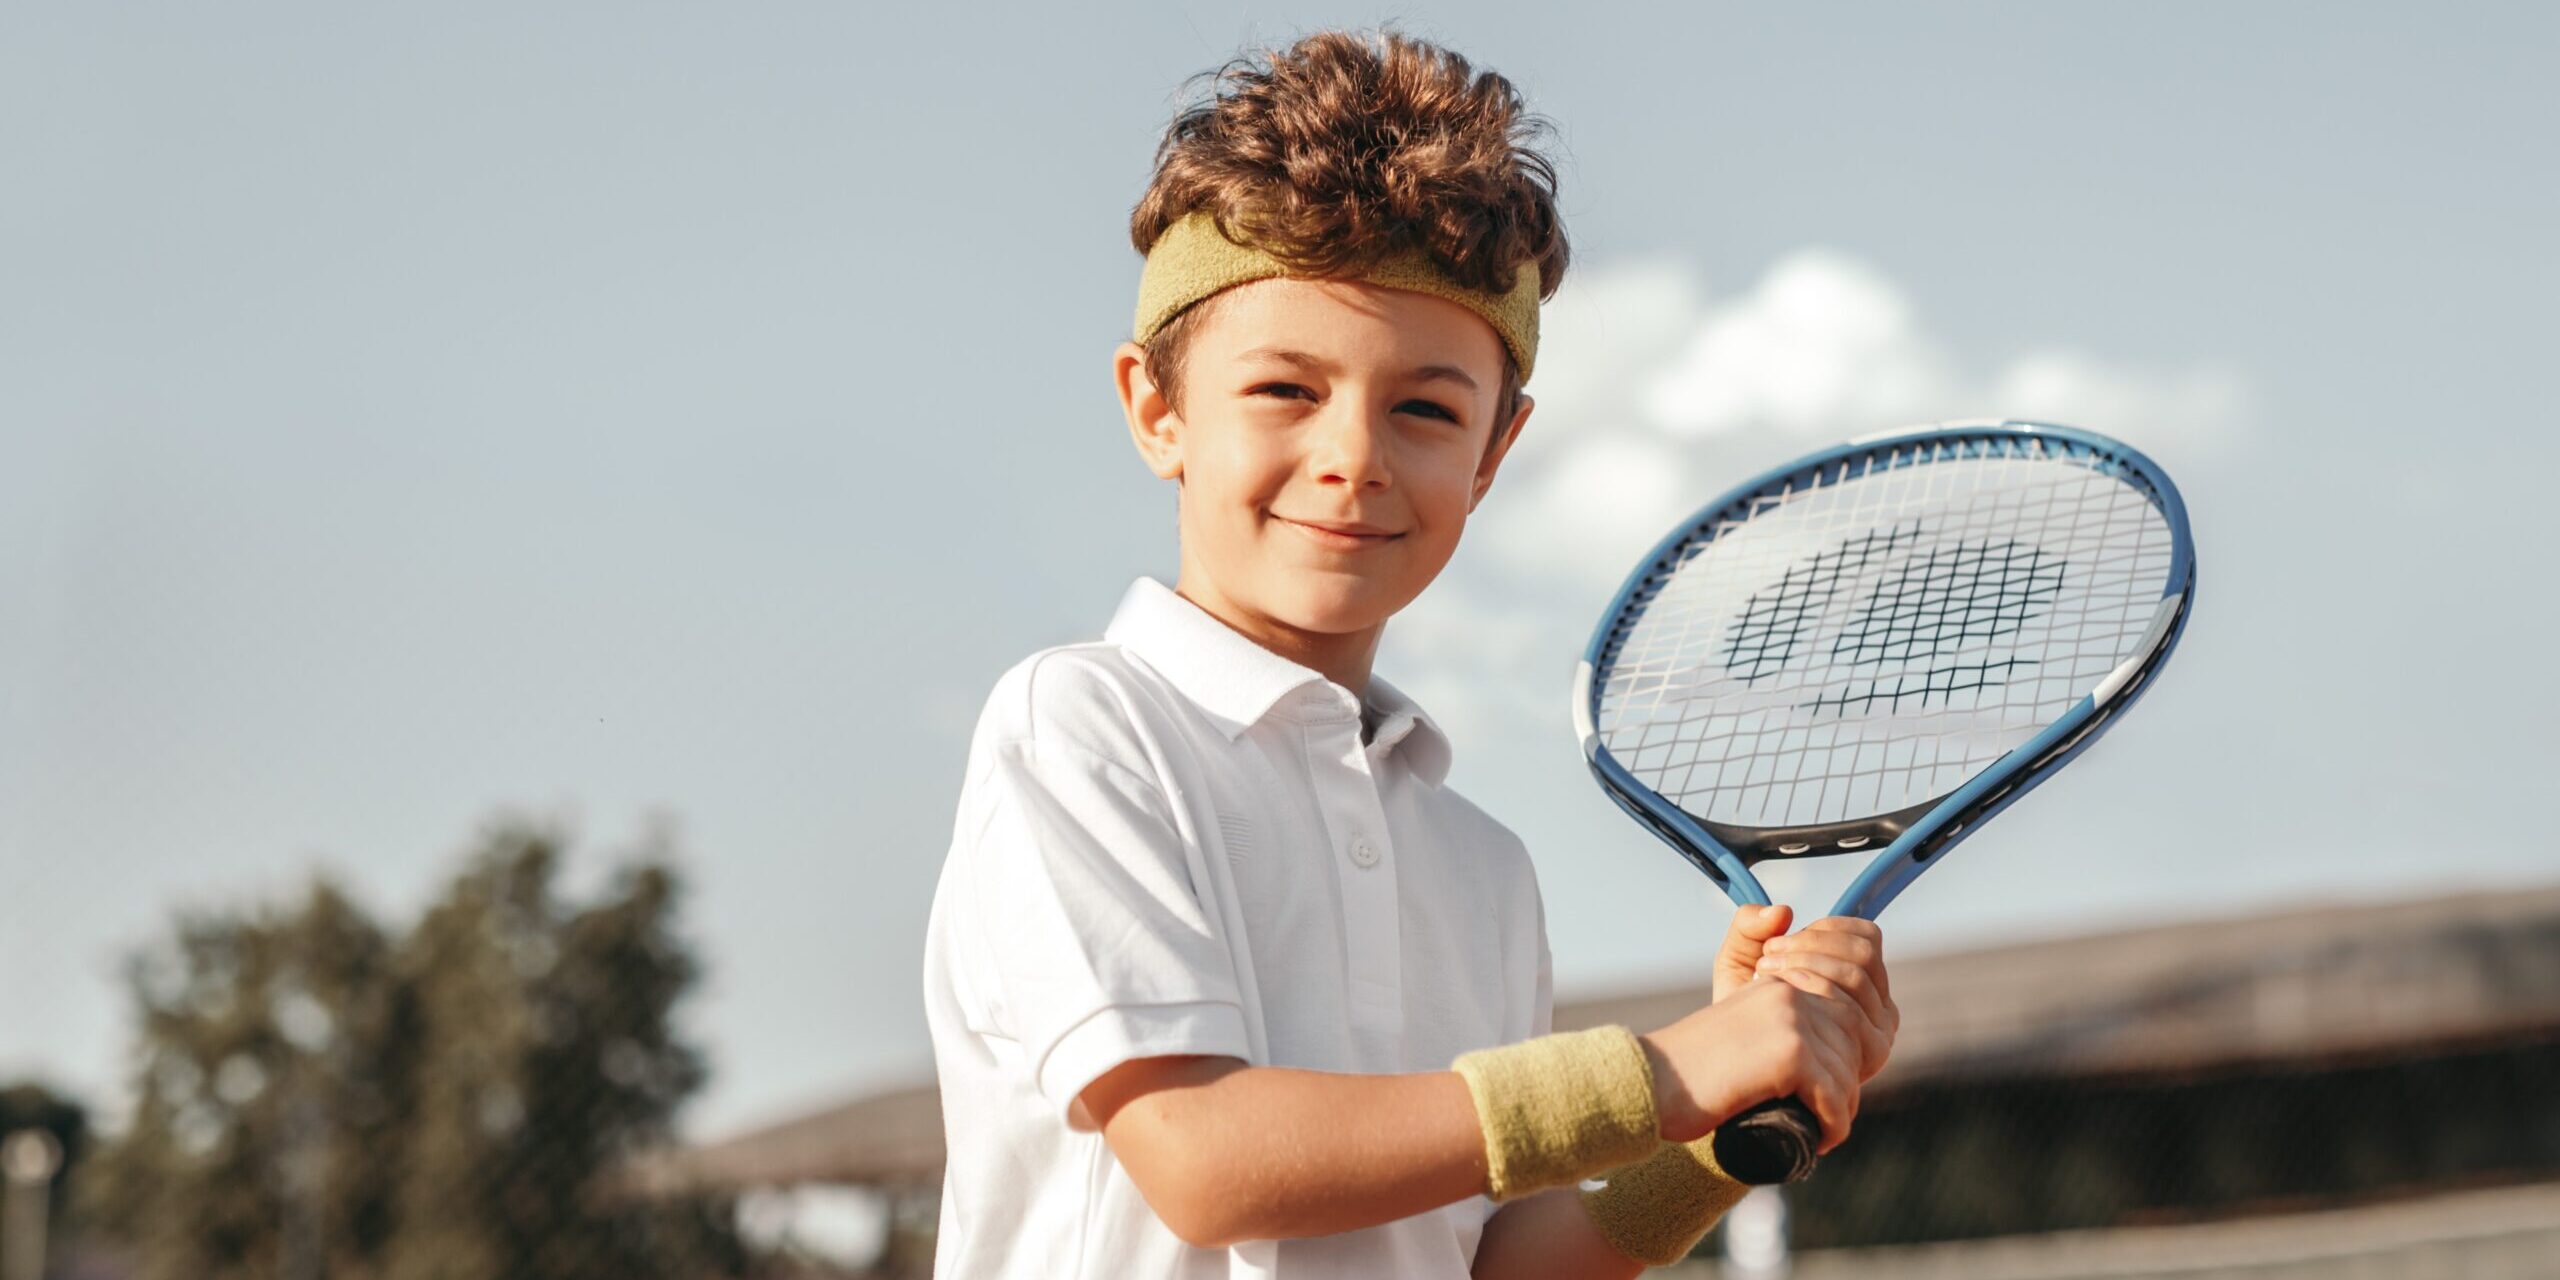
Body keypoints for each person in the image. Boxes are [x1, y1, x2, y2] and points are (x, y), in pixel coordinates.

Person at [920, 29, 1899, 1279]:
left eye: (1425, 408)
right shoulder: (1082, 727)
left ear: (1493, 451)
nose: (1354, 456)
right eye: (1284, 389)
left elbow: (1487, 1261)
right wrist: (1665, 1069)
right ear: (1157, 410)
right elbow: (1208, 1160)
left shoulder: (1485, 871)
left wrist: (1715, 1127)